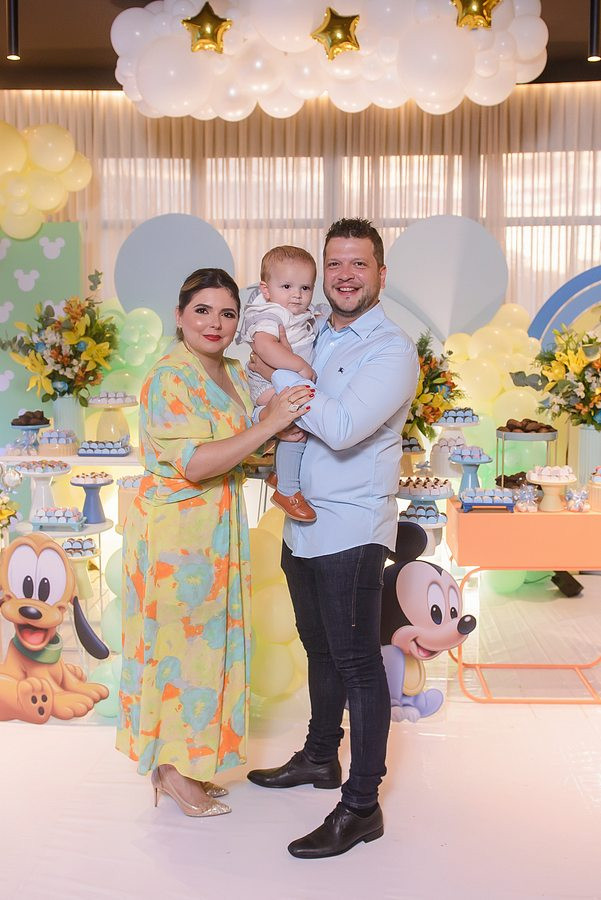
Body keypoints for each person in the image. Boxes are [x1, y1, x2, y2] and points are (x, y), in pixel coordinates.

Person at [247, 219, 420, 858]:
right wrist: (273, 364)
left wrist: (280, 378)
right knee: (318, 646)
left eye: (359, 264)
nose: (346, 276)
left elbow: (343, 427)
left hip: (350, 524)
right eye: (336, 264)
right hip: (301, 519)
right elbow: (257, 356)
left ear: (380, 274)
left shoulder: (392, 350)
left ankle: (362, 806)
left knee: (357, 662)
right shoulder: (312, 328)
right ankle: (321, 756)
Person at [116, 268, 312, 818]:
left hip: (218, 530)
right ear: (179, 316)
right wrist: (270, 424)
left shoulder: (232, 372)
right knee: (177, 654)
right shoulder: (168, 378)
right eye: (202, 310)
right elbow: (197, 462)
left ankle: (190, 762)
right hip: (174, 540)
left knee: (208, 653)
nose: (215, 323)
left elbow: (239, 448)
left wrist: (280, 437)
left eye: (227, 313)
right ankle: (171, 771)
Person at [238, 245, 326, 523]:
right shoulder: (270, 313)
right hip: (267, 383)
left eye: (305, 288)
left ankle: (280, 473)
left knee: (300, 423)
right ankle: (287, 491)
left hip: (278, 380)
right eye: (287, 286)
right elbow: (264, 346)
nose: (297, 295)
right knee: (297, 426)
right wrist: (299, 365)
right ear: (266, 290)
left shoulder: (295, 311)